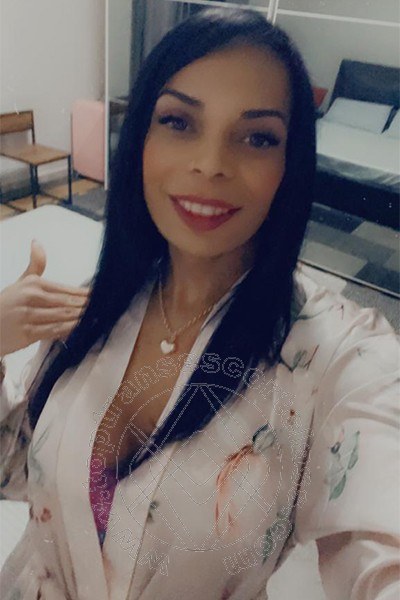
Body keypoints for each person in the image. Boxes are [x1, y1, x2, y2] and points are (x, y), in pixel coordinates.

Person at [0, 8, 399, 600]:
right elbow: (17, 471)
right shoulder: (95, 305)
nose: (211, 165)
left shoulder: (336, 355)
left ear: (290, 164)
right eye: (179, 122)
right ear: (140, 138)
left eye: (257, 137)